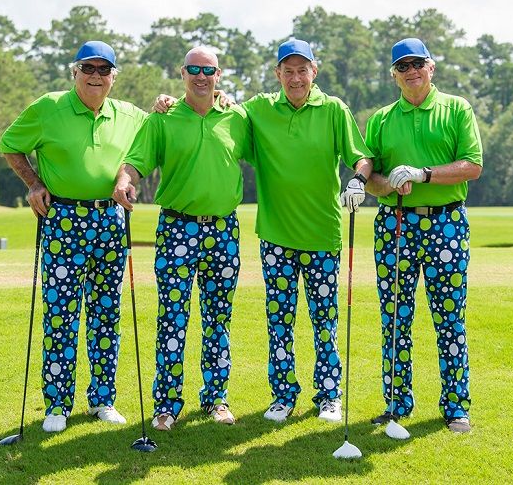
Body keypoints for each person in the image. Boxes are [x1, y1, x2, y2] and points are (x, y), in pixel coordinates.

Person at [155, 37, 372, 423]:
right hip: (275, 238)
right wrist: (174, 100)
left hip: (323, 233)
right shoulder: (257, 110)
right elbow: (214, 109)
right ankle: (283, 395)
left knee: (325, 322)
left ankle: (329, 396)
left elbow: (360, 155)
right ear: (278, 74)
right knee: (279, 324)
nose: (295, 78)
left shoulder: (334, 109)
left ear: (313, 72)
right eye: (287, 71)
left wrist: (357, 179)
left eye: (302, 70)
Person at [0, 40, 146, 433]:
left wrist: (171, 100)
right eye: (88, 69)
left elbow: (162, 129)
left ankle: (102, 400)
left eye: (104, 70)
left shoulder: (129, 114)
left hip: (109, 221)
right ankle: (57, 405)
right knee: (61, 315)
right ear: (74, 72)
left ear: (114, 76)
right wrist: (33, 183)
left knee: (105, 314)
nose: (96, 76)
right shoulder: (49, 107)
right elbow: (10, 146)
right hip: (63, 220)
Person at [114, 46, 252, 431]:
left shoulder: (236, 117)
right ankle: (167, 404)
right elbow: (136, 162)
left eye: (207, 70)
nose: (200, 76)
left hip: (224, 229)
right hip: (177, 228)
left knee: (218, 319)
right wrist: (124, 182)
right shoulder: (163, 118)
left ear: (219, 74)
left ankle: (216, 400)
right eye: (193, 69)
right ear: (182, 73)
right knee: (172, 318)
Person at [364, 38, 483, 433]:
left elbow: (472, 166)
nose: (410, 70)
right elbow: (372, 177)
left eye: (417, 63)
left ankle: (456, 406)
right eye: (402, 66)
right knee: (394, 317)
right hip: (395, 223)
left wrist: (423, 174)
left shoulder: (456, 108)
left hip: (446, 223)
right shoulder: (381, 118)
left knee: (449, 317)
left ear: (431, 67)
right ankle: (396, 404)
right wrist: (385, 184)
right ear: (394, 74)